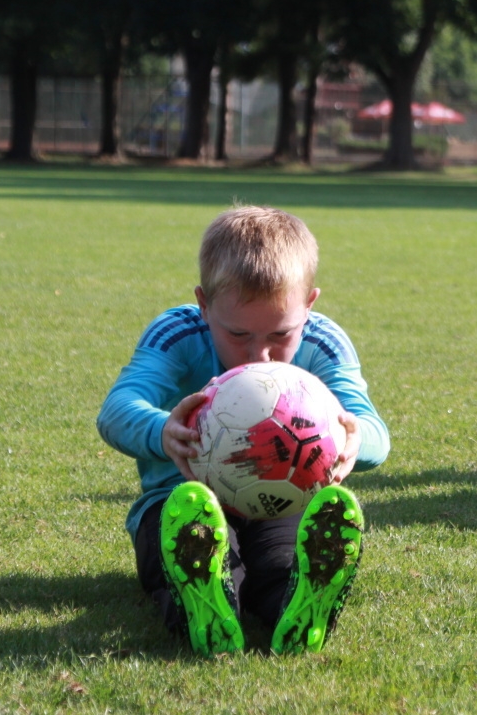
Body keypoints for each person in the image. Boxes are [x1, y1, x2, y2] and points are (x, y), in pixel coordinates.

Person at [98, 205, 390, 655]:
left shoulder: (323, 341)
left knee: (282, 564)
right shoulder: (177, 332)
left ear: (309, 303)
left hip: (284, 500)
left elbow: (374, 431)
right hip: (181, 502)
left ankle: (300, 608)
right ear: (204, 304)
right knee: (185, 554)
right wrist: (164, 430)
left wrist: (352, 440)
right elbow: (116, 410)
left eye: (279, 335)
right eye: (237, 335)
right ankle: (207, 609)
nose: (261, 355)